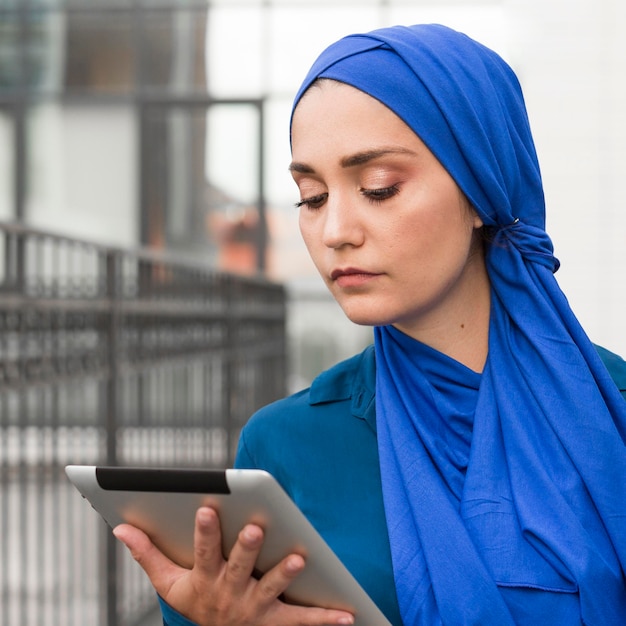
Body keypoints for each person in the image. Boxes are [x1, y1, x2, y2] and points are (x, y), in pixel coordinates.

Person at [113, 23, 626, 626]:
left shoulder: (612, 408)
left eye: (379, 188)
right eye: (311, 196)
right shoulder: (286, 447)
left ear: (481, 190)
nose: (335, 231)